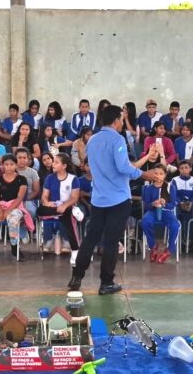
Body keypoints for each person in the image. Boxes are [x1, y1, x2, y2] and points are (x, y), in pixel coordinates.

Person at [68, 105, 158, 294]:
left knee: (90, 238)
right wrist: (144, 174)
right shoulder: (117, 139)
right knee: (111, 241)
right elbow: (123, 167)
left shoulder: (92, 140)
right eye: (121, 119)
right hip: (118, 199)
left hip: (98, 198)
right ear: (116, 120)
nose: (122, 123)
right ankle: (106, 282)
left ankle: (76, 277)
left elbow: (94, 163)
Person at [0, 154, 28, 259]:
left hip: (15, 207)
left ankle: (15, 247)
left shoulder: (22, 179)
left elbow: (19, 198)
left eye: (11, 164)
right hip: (0, 206)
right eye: (6, 164)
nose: (9, 167)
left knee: (12, 221)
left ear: (15, 165)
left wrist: (8, 211)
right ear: (2, 166)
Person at [38, 154, 82, 258]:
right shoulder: (49, 178)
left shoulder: (73, 179)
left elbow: (74, 198)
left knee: (66, 214)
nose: (53, 164)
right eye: (54, 162)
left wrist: (65, 205)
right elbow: (44, 196)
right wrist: (47, 203)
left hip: (67, 206)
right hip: (53, 207)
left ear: (64, 166)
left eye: (56, 162)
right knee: (40, 210)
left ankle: (74, 249)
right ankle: (71, 212)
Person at [140, 164, 179, 263]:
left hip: (166, 212)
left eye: (161, 174)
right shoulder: (148, 188)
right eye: (156, 173)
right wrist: (153, 204)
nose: (158, 176)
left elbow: (172, 204)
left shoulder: (170, 187)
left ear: (165, 175)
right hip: (152, 211)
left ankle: (170, 249)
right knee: (145, 221)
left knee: (175, 225)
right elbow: (146, 206)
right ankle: (153, 246)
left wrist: (165, 203)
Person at [171, 160, 193, 254]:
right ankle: (181, 242)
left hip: (190, 204)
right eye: (181, 168)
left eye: (186, 168)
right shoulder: (175, 180)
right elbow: (174, 194)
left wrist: (190, 203)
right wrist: (180, 203)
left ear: (190, 169)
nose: (184, 170)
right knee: (178, 215)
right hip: (179, 204)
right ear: (179, 170)